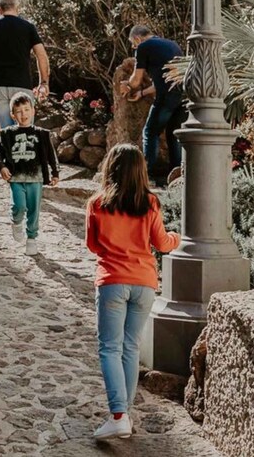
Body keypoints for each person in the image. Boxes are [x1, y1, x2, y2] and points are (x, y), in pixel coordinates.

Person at [85, 144, 180, 440]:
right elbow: (162, 243)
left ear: (109, 168)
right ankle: (123, 414)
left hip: (113, 280)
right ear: (141, 170)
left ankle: (118, 414)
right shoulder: (150, 202)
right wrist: (177, 239)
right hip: (145, 283)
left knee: (109, 348)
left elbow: (93, 245)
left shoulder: (98, 203)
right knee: (130, 347)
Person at [0, 93, 60, 256]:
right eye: (19, 111)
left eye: (26, 110)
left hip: (35, 177)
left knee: (33, 209)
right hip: (16, 177)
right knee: (19, 206)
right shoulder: (7, 134)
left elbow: (51, 155)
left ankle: (31, 238)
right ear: (12, 115)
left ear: (33, 111)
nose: (23, 114)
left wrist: (55, 172)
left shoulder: (42, 134)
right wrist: (2, 166)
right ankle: (16, 221)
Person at [0, 0, 50, 130]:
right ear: (17, 7)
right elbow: (41, 55)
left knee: (6, 131)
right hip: (22, 83)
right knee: (26, 130)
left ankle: (7, 151)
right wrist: (44, 83)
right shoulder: (28, 27)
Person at [120, 25, 185, 184]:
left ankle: (146, 176)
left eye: (133, 44)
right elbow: (163, 81)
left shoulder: (143, 47)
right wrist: (142, 93)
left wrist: (127, 86)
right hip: (182, 97)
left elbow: (136, 79)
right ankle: (178, 176)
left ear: (137, 38)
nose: (134, 47)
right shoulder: (173, 45)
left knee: (150, 132)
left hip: (165, 98)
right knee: (173, 134)